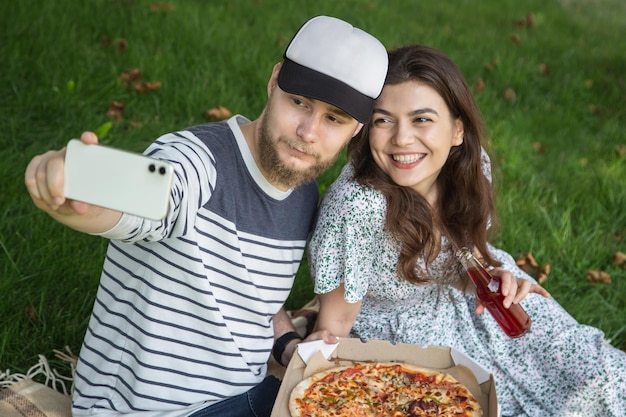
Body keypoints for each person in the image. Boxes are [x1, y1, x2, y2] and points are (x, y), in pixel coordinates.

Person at [24, 16, 387, 417]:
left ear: (356, 129)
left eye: (332, 119)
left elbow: (253, 298)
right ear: (274, 80)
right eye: (299, 102)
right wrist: (74, 183)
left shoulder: (302, 190)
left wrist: (285, 343)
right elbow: (150, 198)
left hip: (244, 399)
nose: (308, 131)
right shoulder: (196, 161)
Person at [308, 44, 626, 416]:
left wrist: (493, 275)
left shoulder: (470, 170)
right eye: (384, 120)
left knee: (598, 373)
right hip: (403, 339)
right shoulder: (358, 207)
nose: (402, 139)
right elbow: (336, 327)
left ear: (457, 130)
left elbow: (465, 255)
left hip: (477, 303)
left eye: (422, 119)